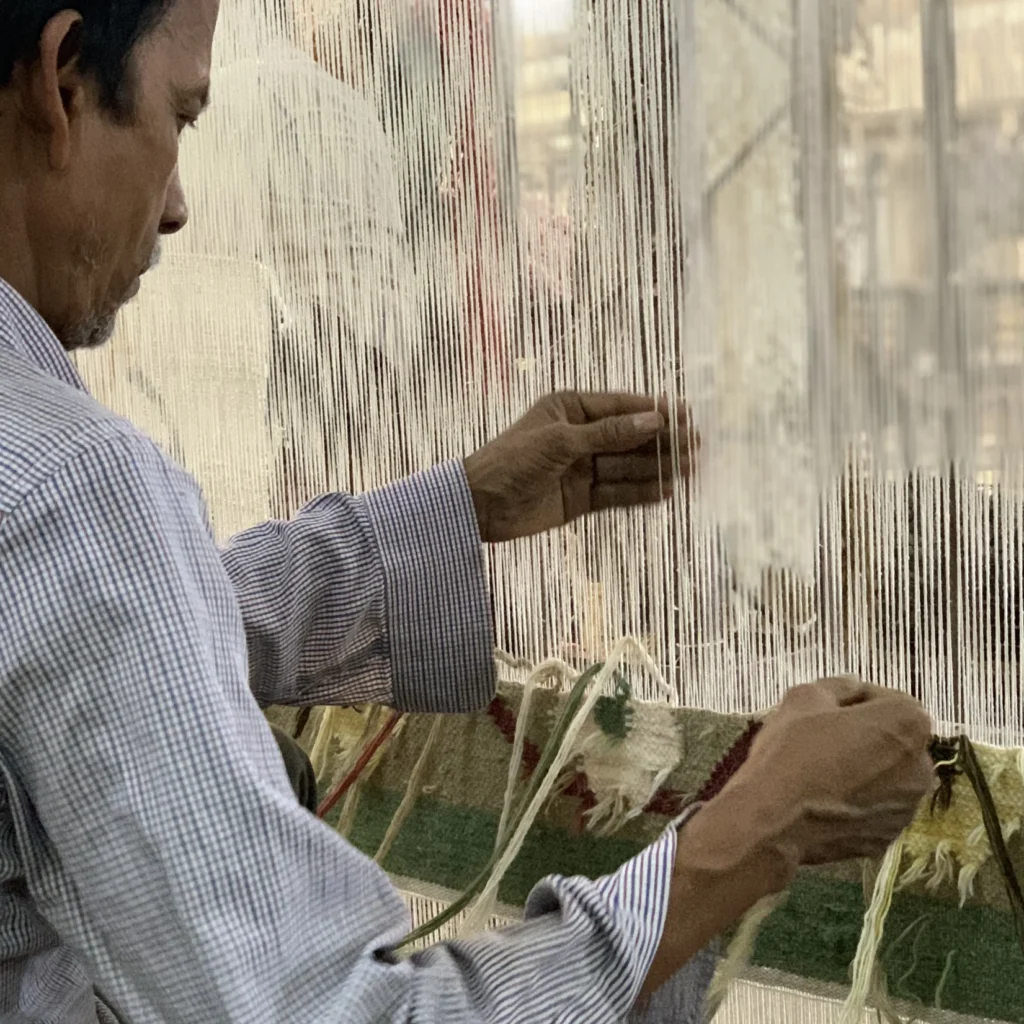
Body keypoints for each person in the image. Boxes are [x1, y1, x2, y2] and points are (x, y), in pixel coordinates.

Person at [0, 2, 936, 1023]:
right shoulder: (72, 482)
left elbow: (96, 628)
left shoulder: (59, 501)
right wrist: (758, 829)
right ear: (61, 84)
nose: (178, 204)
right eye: (183, 118)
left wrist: (456, 511)